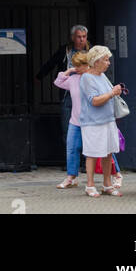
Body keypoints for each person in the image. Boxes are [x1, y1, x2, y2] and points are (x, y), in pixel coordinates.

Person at [36, 24, 89, 157]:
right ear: (72, 37)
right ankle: (71, 161)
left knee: (87, 129)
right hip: (67, 95)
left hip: (87, 96)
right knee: (68, 129)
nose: (81, 39)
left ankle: (85, 161)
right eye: (78, 37)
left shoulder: (92, 51)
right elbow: (51, 63)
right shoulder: (65, 50)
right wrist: (39, 77)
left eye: (84, 37)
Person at [78, 45, 123, 197]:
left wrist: (114, 92)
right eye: (106, 60)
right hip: (92, 122)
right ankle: (90, 185)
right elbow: (94, 101)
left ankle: (107, 184)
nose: (108, 62)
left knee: (108, 152)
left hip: (108, 120)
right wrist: (112, 93)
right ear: (96, 61)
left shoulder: (102, 76)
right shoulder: (86, 78)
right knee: (92, 153)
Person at [54, 51, 89, 188]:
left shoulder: (93, 78)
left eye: (81, 65)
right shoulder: (73, 79)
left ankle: (114, 174)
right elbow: (58, 82)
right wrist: (69, 70)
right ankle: (71, 177)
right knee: (72, 148)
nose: (78, 68)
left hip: (91, 121)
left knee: (100, 149)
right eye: (76, 65)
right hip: (75, 121)